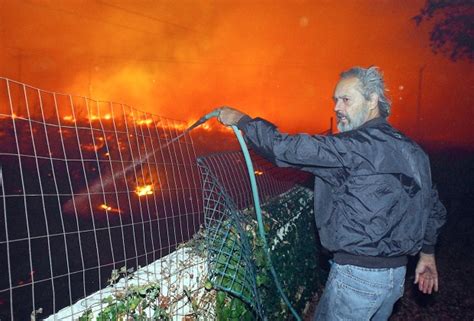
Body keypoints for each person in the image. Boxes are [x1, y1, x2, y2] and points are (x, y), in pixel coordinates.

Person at [214, 66, 446, 321]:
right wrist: (427, 253)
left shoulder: (352, 147)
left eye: (346, 99)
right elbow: (431, 205)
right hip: (394, 280)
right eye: (335, 100)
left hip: (356, 280)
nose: (337, 107)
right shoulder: (414, 152)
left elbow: (284, 148)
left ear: (372, 101)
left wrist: (241, 120)